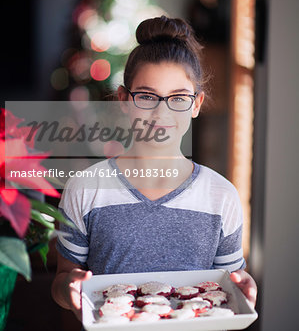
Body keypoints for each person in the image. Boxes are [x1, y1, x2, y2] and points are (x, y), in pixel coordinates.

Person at [51, 16, 257, 322]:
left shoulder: (221, 196)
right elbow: (62, 279)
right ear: (123, 100)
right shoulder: (86, 188)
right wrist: (68, 287)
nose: (161, 112)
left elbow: (231, 287)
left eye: (177, 98)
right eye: (147, 96)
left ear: (196, 104)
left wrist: (245, 288)